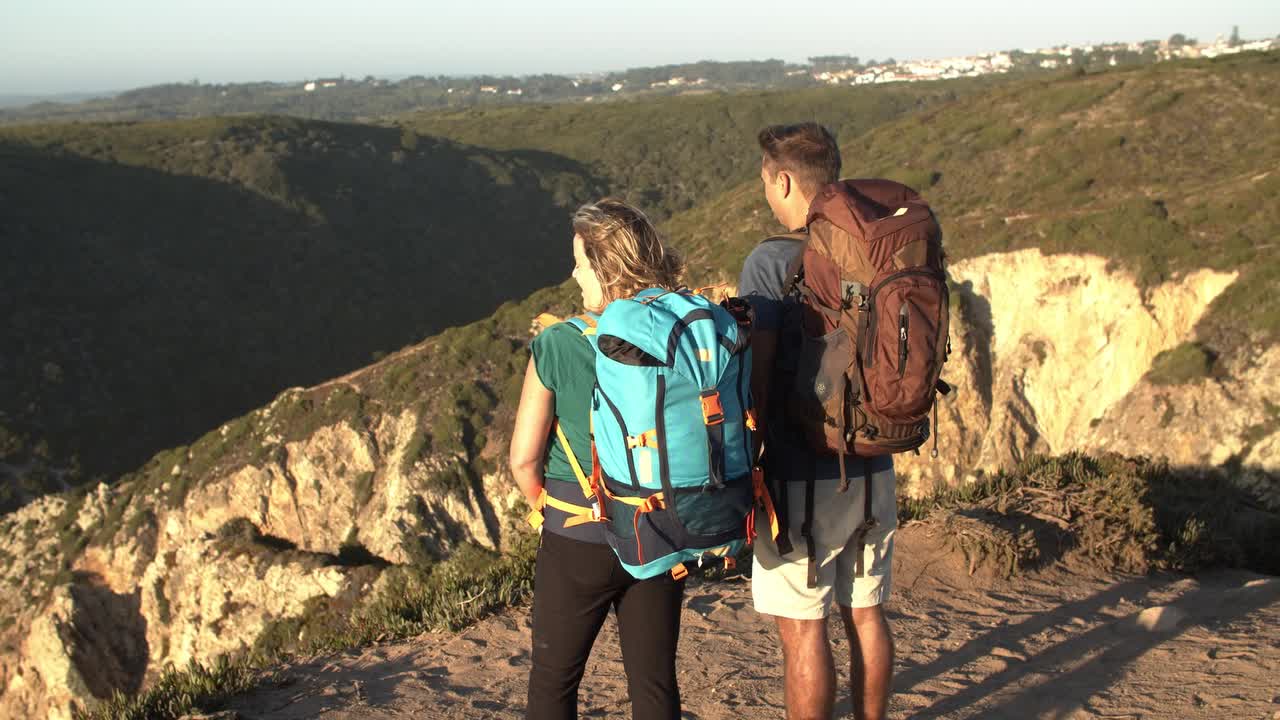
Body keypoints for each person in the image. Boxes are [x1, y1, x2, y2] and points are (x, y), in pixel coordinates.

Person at [739, 123, 898, 720]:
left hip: (802, 472)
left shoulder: (770, 260)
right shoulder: (876, 250)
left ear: (783, 180)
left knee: (803, 630)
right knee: (866, 612)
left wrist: (745, 445)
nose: (766, 196)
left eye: (765, 183)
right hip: (875, 459)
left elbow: (760, 366)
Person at [509, 198, 687, 720]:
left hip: (576, 532)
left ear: (605, 271)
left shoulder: (559, 344)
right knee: (654, 687)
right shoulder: (677, 330)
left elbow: (523, 460)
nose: (573, 272)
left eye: (581, 263)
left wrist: (546, 508)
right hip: (658, 528)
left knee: (554, 683)